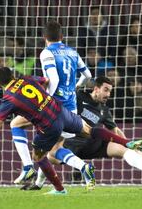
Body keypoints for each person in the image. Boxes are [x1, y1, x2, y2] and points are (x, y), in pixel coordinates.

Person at [0, 67, 142, 195]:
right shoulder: (25, 79)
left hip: (49, 124)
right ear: (13, 76)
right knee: (90, 130)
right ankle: (126, 143)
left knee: (40, 157)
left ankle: (59, 186)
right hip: (61, 110)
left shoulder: (8, 98)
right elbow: (46, 81)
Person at [21, 76, 142, 190]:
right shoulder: (79, 98)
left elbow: (114, 130)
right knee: (50, 154)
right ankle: (38, 184)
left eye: (110, 91)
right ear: (96, 88)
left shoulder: (104, 110)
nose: (108, 94)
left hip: (91, 143)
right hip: (70, 143)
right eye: (106, 90)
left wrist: (129, 144)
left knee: (122, 150)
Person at [9, 20, 93, 186]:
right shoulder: (73, 52)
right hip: (71, 107)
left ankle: (27, 168)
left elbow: (53, 78)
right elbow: (88, 76)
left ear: (44, 37)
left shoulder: (47, 52)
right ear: (62, 36)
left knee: (15, 124)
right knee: (54, 151)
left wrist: (47, 101)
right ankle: (82, 167)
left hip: (53, 107)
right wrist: (75, 87)